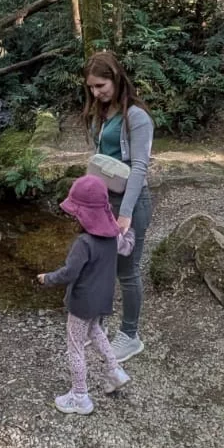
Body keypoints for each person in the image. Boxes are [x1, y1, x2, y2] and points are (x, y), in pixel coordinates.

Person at [37, 173, 133, 415]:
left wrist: (47, 278)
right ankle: (114, 372)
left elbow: (69, 273)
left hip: (81, 304)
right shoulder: (113, 237)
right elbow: (127, 246)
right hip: (102, 300)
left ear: (83, 215)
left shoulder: (84, 243)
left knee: (75, 346)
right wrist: (128, 232)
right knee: (96, 331)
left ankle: (80, 396)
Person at [83, 50, 154, 362]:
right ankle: (96, 328)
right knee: (100, 265)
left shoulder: (136, 117)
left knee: (127, 270)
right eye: (91, 88)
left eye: (101, 86)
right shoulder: (104, 113)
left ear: (115, 78)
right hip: (103, 201)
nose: (96, 93)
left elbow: (139, 167)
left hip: (131, 204)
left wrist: (125, 214)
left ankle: (129, 335)